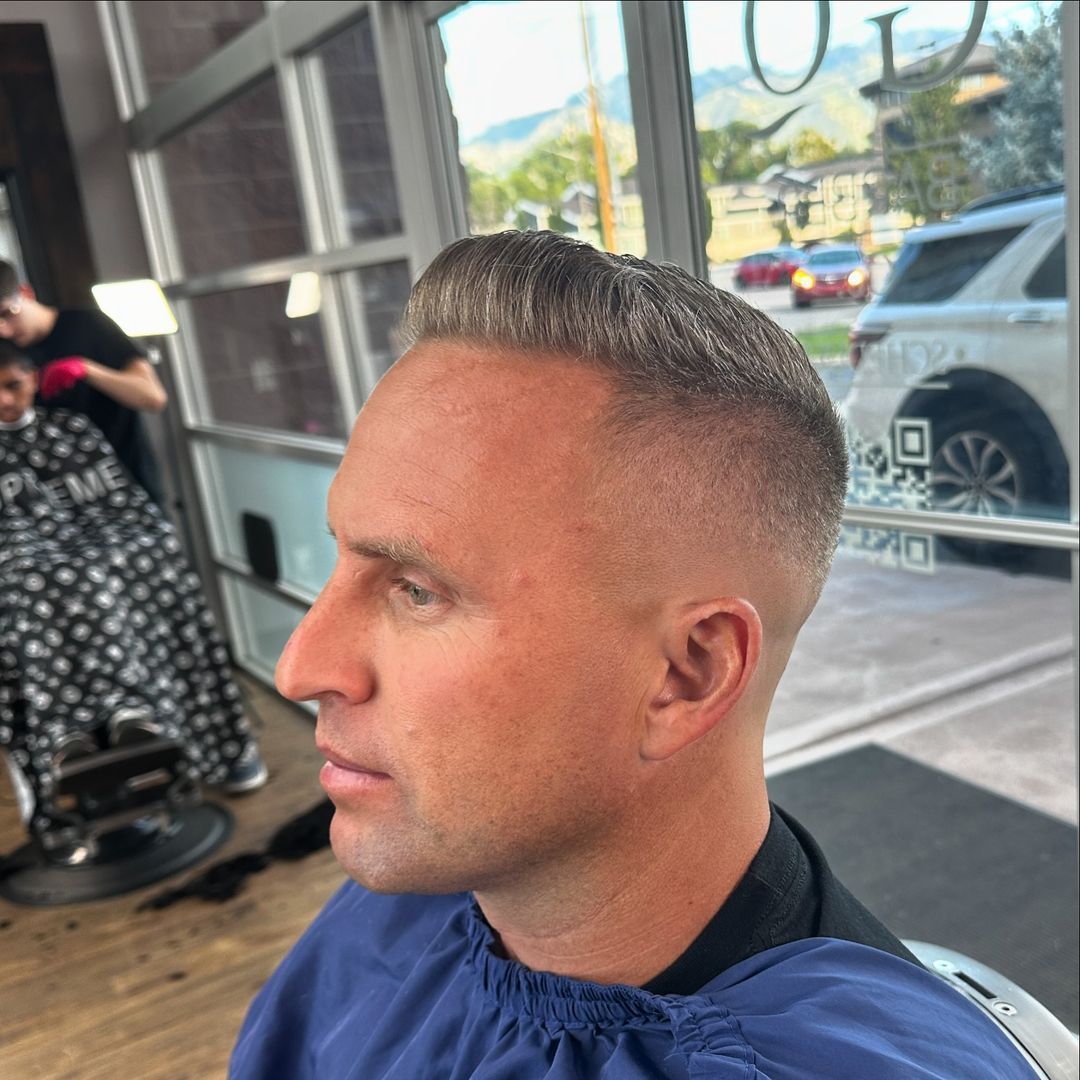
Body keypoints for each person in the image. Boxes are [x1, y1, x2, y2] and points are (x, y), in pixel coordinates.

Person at [230, 231, 1032, 1078]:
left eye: (417, 590)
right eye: (342, 560)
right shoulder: (412, 899)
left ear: (688, 674)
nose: (301, 667)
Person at [0, 342, 266, 843]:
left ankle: (161, 725)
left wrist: (92, 553)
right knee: (44, 579)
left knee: (147, 554)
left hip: (104, 543)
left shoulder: (71, 429)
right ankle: (75, 729)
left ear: (33, 379)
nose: (4, 400)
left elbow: (121, 504)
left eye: (12, 385)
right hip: (26, 570)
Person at [0, 260, 168, 506]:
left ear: (26, 292)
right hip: (56, 496)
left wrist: (87, 369)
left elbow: (153, 397)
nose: (3, 330)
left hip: (127, 477)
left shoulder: (89, 325)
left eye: (6, 313)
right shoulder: (4, 351)